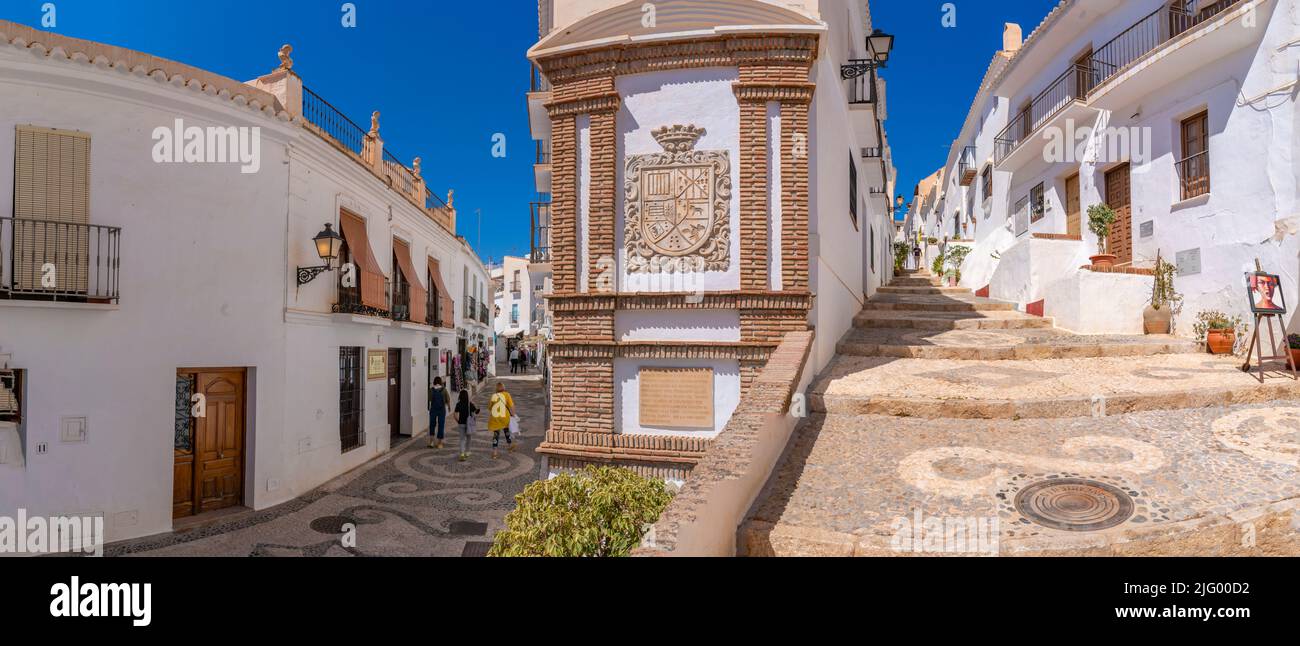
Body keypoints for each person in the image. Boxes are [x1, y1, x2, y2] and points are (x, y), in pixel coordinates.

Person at [488, 381, 516, 459]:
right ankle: (510, 446)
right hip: (504, 416)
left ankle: (494, 453)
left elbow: (489, 408)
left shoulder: (493, 396)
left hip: (495, 417)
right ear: (503, 387)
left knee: (496, 435)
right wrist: (513, 414)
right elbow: (511, 406)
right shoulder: (507, 394)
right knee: (506, 431)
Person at [453, 388, 479, 462]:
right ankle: (467, 452)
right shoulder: (470, 404)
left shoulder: (458, 404)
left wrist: (458, 421)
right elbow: (475, 412)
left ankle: (462, 454)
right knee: (468, 438)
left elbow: (455, 415)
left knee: (462, 439)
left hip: (461, 423)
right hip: (469, 424)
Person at [428, 377, 450, 449]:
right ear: (441, 382)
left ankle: (431, 442)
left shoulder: (431, 390)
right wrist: (449, 407)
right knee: (441, 425)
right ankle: (439, 443)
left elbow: (430, 399)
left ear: (434, 382)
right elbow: (447, 399)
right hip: (441, 410)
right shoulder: (444, 390)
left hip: (433, 409)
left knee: (432, 425)